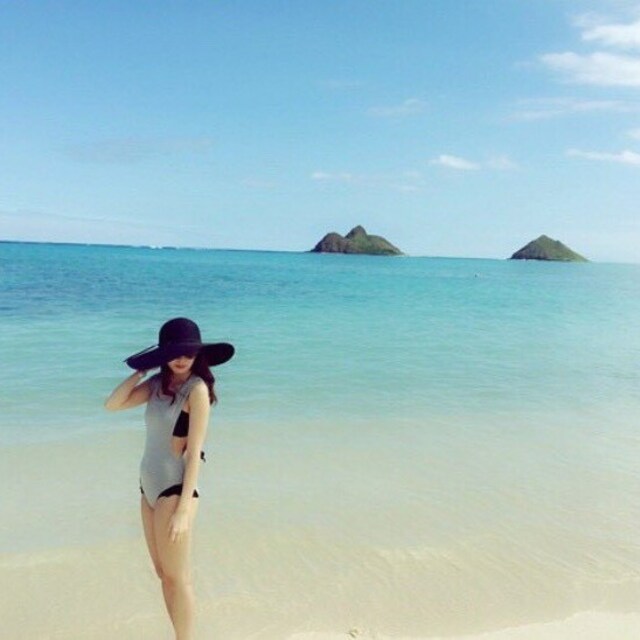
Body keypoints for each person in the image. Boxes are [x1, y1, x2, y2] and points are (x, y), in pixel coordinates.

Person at [105, 317, 234, 640]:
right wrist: (141, 370)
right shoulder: (156, 386)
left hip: (175, 490)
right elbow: (113, 404)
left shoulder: (197, 390)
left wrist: (183, 509)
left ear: (198, 354)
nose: (182, 359)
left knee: (178, 577)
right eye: (175, 352)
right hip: (148, 486)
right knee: (163, 574)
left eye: (189, 352)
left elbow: (194, 452)